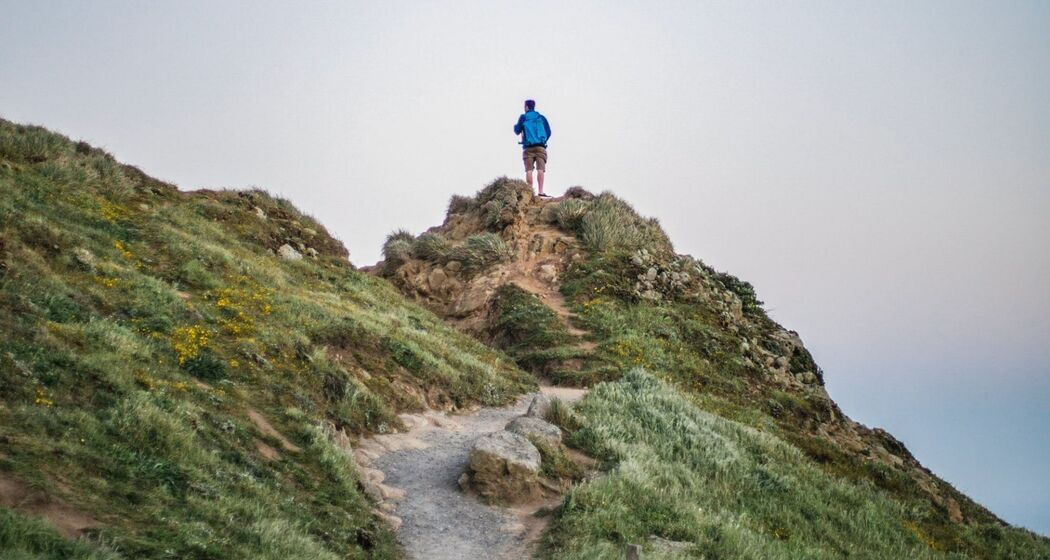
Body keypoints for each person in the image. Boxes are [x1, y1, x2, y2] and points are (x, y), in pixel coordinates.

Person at [513, 99, 552, 197]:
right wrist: (542, 141)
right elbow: (549, 131)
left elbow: (517, 130)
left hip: (528, 148)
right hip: (540, 147)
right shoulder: (541, 118)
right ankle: (541, 192)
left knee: (529, 170)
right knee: (540, 169)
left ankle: (530, 192)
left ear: (526, 107)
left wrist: (515, 127)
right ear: (534, 106)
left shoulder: (523, 117)